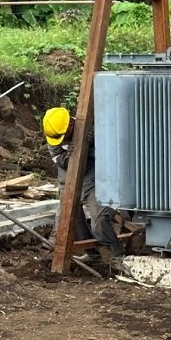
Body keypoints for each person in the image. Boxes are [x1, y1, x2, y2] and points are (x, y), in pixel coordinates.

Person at [44, 106, 123, 262]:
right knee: (74, 221)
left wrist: (93, 144)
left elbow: (110, 153)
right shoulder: (53, 134)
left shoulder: (89, 127)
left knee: (99, 218)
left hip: (90, 180)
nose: (60, 139)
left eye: (63, 135)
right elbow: (59, 159)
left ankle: (116, 254)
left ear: (70, 126)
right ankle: (93, 255)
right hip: (67, 183)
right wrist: (71, 155)